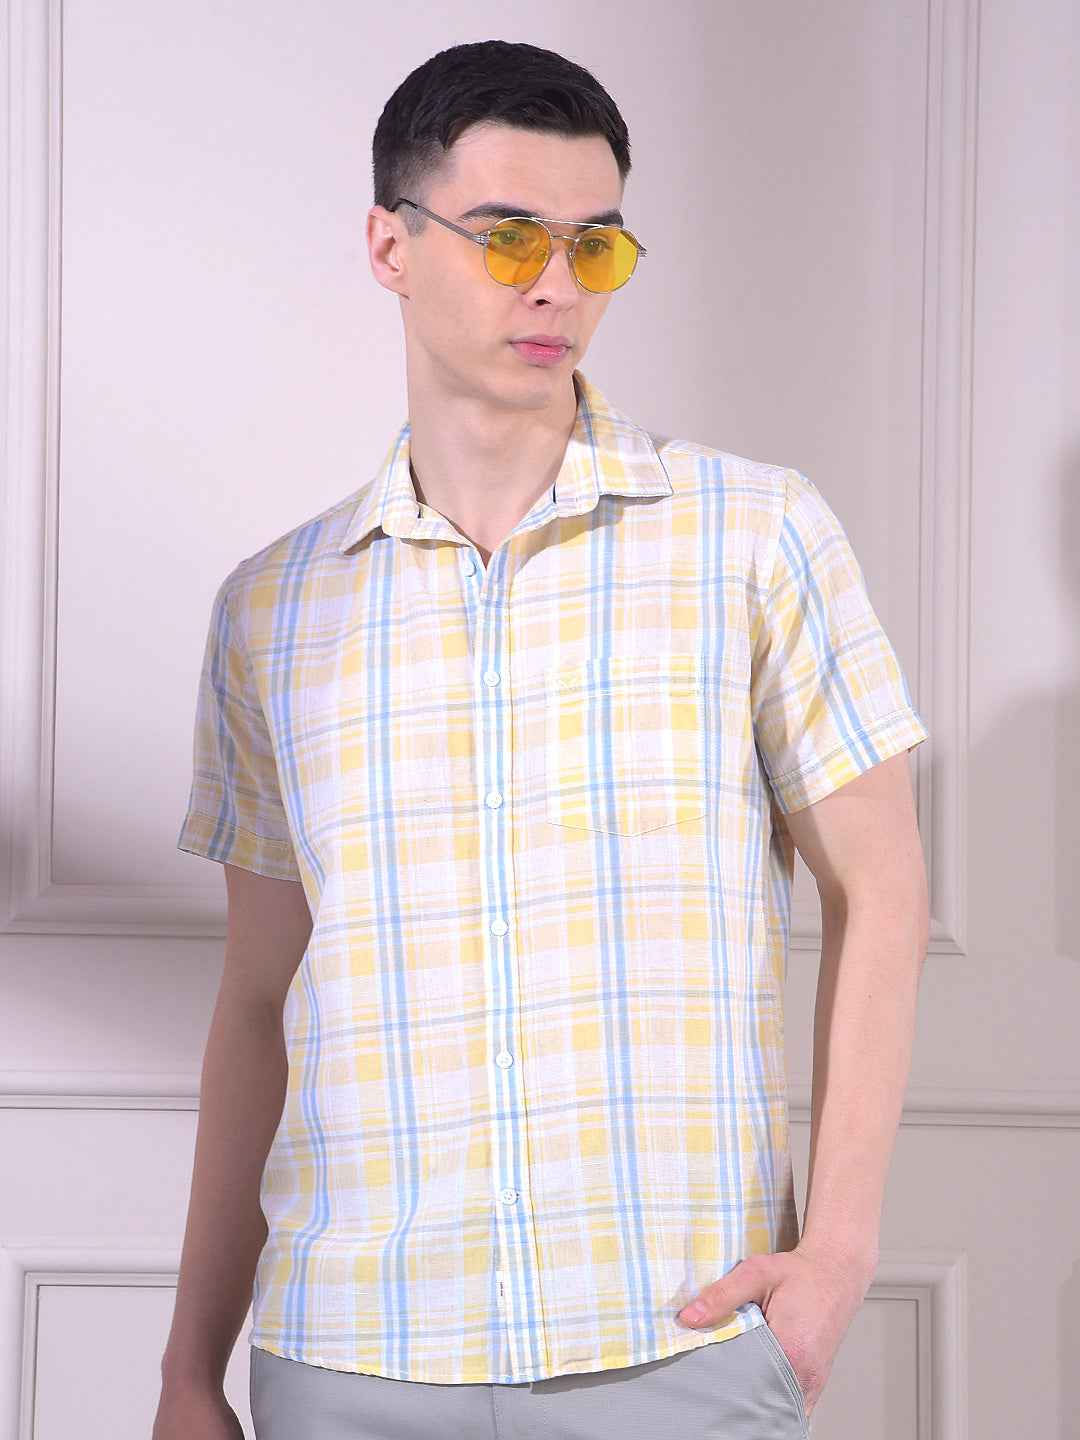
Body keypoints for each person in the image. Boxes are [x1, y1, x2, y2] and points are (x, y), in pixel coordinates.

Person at [154, 38, 930, 1440]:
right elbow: (257, 1001)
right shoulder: (272, 610)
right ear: (390, 245)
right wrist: (186, 1371)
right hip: (350, 1355)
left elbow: (882, 888)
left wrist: (839, 1254)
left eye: (595, 246)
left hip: (677, 1341)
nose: (556, 286)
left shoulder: (756, 538)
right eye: (508, 237)